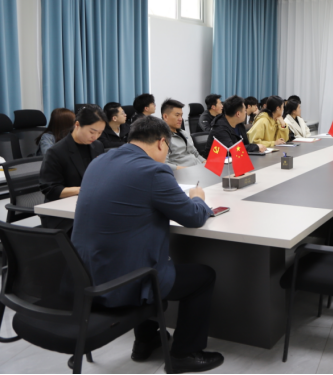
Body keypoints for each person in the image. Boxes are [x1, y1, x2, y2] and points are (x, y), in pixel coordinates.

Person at [71, 116, 224, 373]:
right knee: (202, 276)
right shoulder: (153, 171)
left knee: (139, 252)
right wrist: (198, 198)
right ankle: (185, 354)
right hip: (124, 283)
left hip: (87, 276)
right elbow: (193, 217)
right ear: (162, 142)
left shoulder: (98, 161)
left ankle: (146, 341)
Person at [39, 105, 106, 229]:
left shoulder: (97, 146)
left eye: (100, 133)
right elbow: (50, 189)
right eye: (92, 132)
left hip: (90, 204)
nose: (95, 137)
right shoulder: (56, 152)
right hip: (62, 214)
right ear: (77, 125)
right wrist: (83, 190)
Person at [161, 99, 205, 170]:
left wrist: (205, 162)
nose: (180, 119)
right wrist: (186, 170)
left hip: (198, 168)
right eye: (177, 115)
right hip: (183, 172)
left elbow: (195, 153)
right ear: (165, 116)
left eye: (181, 115)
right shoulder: (161, 138)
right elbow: (163, 164)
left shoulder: (184, 133)